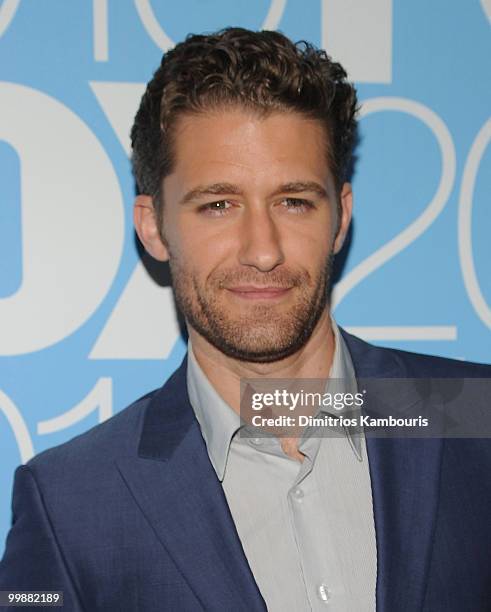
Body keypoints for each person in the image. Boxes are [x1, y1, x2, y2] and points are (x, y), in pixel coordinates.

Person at [1, 27, 490, 612]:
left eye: (293, 201)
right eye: (218, 205)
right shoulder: (71, 504)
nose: (263, 250)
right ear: (154, 227)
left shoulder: (475, 416)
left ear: (340, 218)